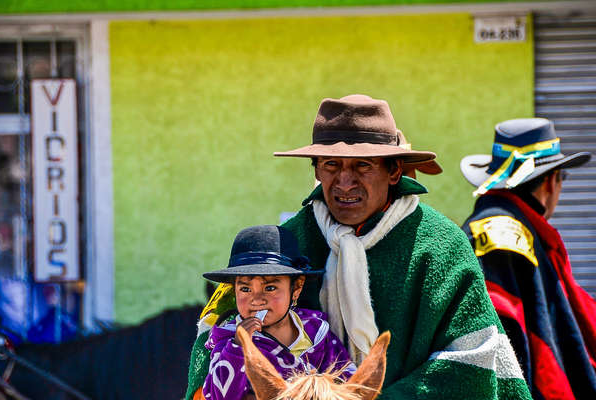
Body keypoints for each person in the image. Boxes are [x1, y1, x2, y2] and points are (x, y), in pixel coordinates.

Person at [186, 95, 531, 400]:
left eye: (362, 166)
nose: (344, 182)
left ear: (394, 170)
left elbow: (472, 363)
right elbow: (215, 330)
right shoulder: (289, 243)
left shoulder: (441, 246)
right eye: (331, 165)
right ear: (317, 171)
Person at [460, 118, 596, 399]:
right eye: (562, 177)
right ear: (549, 182)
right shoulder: (502, 234)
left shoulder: (516, 227)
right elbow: (508, 340)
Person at [201, 225, 355, 400]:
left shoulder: (316, 332)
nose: (257, 299)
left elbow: (347, 384)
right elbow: (219, 396)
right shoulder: (228, 343)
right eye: (245, 289)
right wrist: (238, 346)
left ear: (296, 287)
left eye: (270, 287)